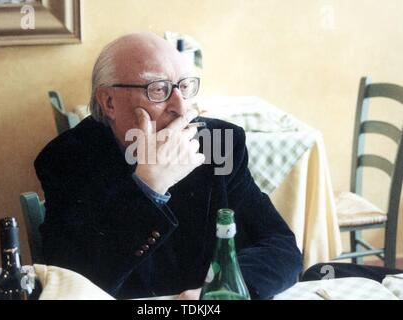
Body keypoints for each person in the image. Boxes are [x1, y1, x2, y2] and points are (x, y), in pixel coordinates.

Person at [34, 32, 302, 300]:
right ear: (109, 102)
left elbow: (280, 246)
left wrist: (221, 290)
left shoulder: (217, 143)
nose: (181, 106)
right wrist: (148, 186)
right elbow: (70, 282)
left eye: (184, 87)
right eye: (158, 89)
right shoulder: (67, 158)